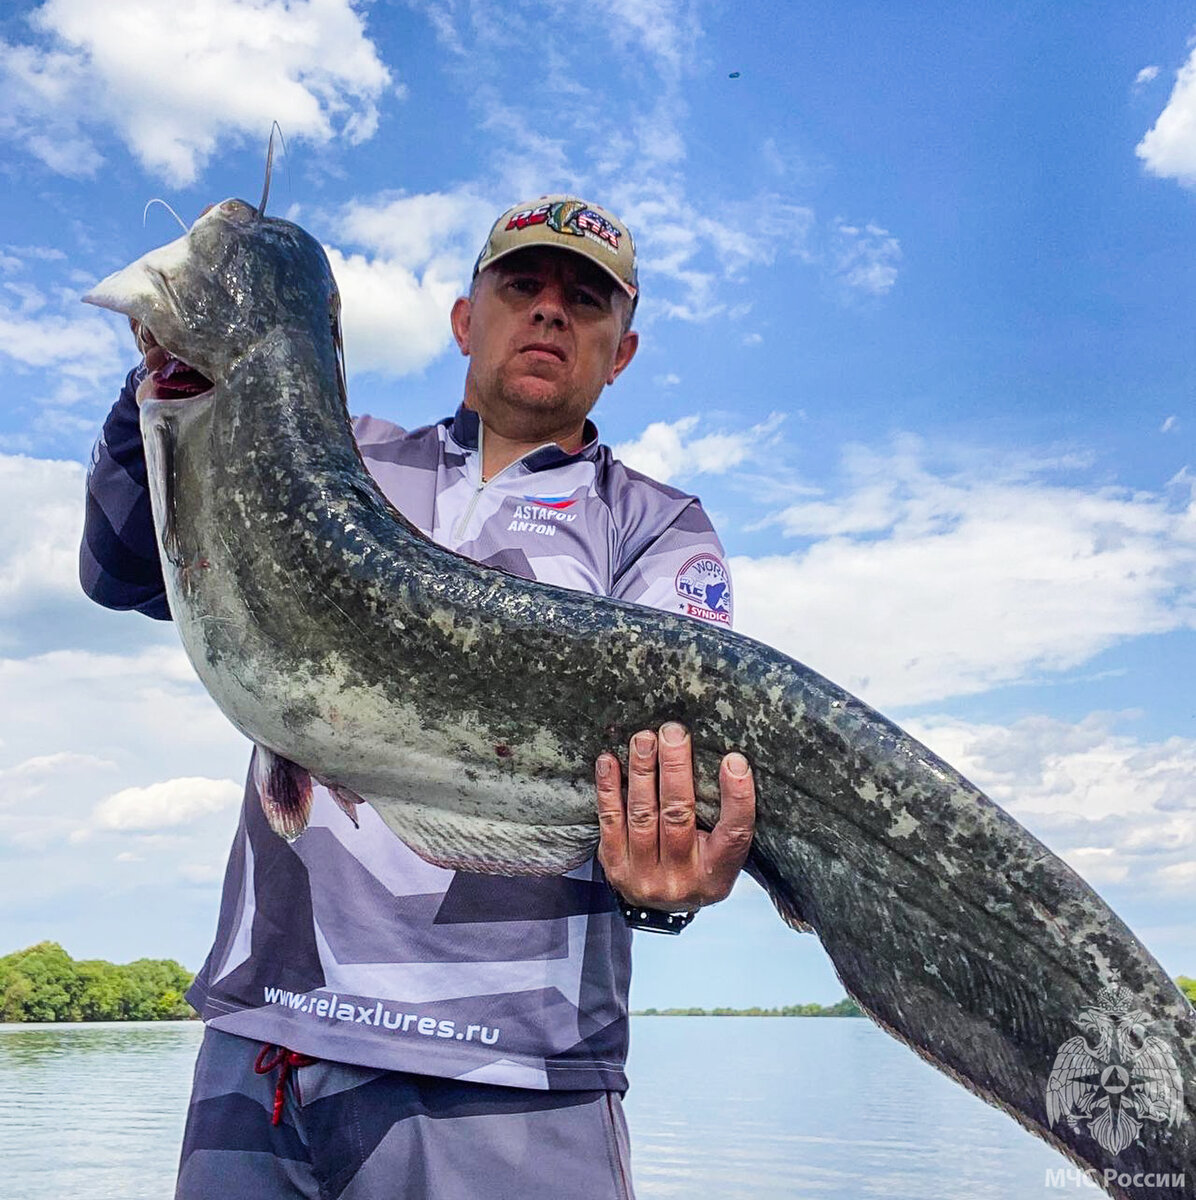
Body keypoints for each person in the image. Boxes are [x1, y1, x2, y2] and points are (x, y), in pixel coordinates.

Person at [80, 195, 756, 1199]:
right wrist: (162, 383)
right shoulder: (331, 450)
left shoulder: (654, 527)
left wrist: (667, 888)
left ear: (621, 352)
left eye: (584, 300)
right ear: (461, 318)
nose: (549, 313)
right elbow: (124, 564)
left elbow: (692, 753)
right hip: (261, 1040)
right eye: (520, 286)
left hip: (508, 1075)